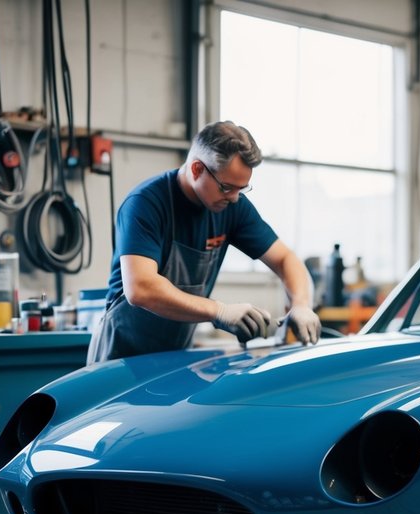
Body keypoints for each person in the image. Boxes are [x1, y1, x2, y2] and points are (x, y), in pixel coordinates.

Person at [88, 121, 321, 363]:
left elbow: (285, 259)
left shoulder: (233, 207)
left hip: (173, 354)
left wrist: (301, 305)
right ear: (197, 169)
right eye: (226, 187)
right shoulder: (145, 204)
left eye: (242, 189)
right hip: (120, 356)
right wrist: (218, 311)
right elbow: (141, 289)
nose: (233, 198)